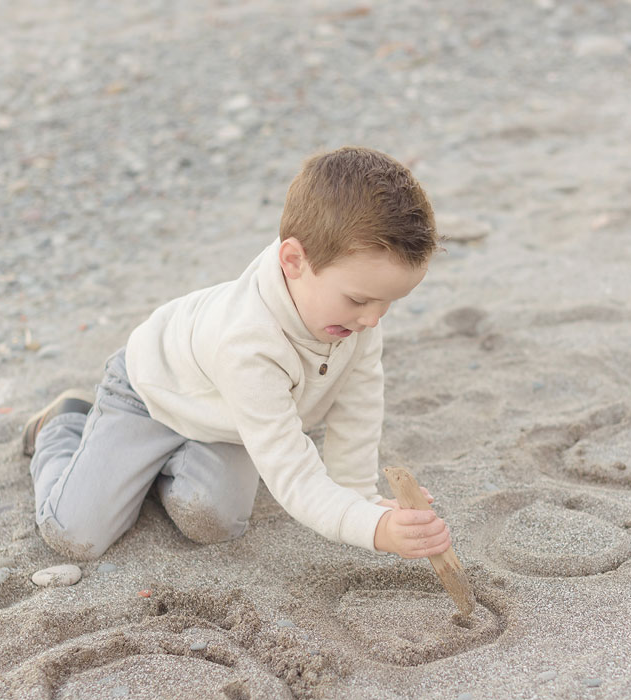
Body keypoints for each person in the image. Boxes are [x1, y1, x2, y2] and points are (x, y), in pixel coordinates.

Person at [22, 146, 452, 562]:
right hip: (149, 396)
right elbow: (295, 476)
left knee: (214, 520)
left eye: (387, 303)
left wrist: (360, 498)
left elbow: (357, 408)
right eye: (360, 300)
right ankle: (63, 423)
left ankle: (145, 468)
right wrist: (374, 530)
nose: (373, 320)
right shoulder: (247, 342)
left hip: (224, 417)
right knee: (76, 534)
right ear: (293, 260)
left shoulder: (354, 316)